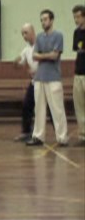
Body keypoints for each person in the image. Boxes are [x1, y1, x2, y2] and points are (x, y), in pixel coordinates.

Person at [27, 9, 69, 146]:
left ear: (51, 20)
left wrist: (42, 55)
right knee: (38, 109)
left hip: (53, 78)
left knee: (57, 109)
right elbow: (34, 55)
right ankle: (38, 136)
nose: (43, 22)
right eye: (41, 20)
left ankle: (62, 137)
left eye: (45, 19)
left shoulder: (58, 36)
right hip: (39, 78)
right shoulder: (39, 37)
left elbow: (55, 56)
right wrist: (47, 55)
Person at [13, 23, 53, 142]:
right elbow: (19, 64)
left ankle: (60, 133)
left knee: (52, 108)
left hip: (46, 80)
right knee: (27, 105)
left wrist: (36, 70)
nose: (24, 36)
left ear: (32, 32)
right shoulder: (26, 50)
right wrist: (15, 62)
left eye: (26, 33)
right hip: (34, 82)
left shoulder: (41, 45)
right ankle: (26, 132)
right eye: (22, 34)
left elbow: (47, 60)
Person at [72, 5, 85, 146]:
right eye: (74, 17)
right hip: (79, 72)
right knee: (79, 106)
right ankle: (82, 136)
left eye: (78, 16)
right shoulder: (76, 33)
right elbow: (77, 47)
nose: (76, 19)